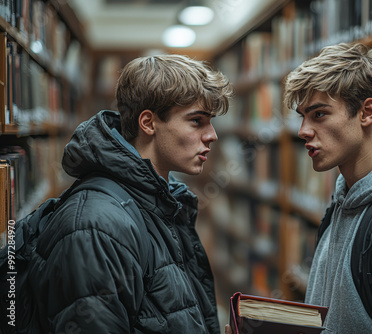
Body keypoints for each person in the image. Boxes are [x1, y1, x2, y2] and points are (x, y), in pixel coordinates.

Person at [226, 42, 372, 334]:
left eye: (319, 114)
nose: (303, 131)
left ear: (366, 112)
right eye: (302, 116)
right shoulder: (344, 204)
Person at [21, 54, 233, 333]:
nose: (212, 135)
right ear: (149, 123)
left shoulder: (160, 203)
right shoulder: (95, 225)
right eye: (197, 121)